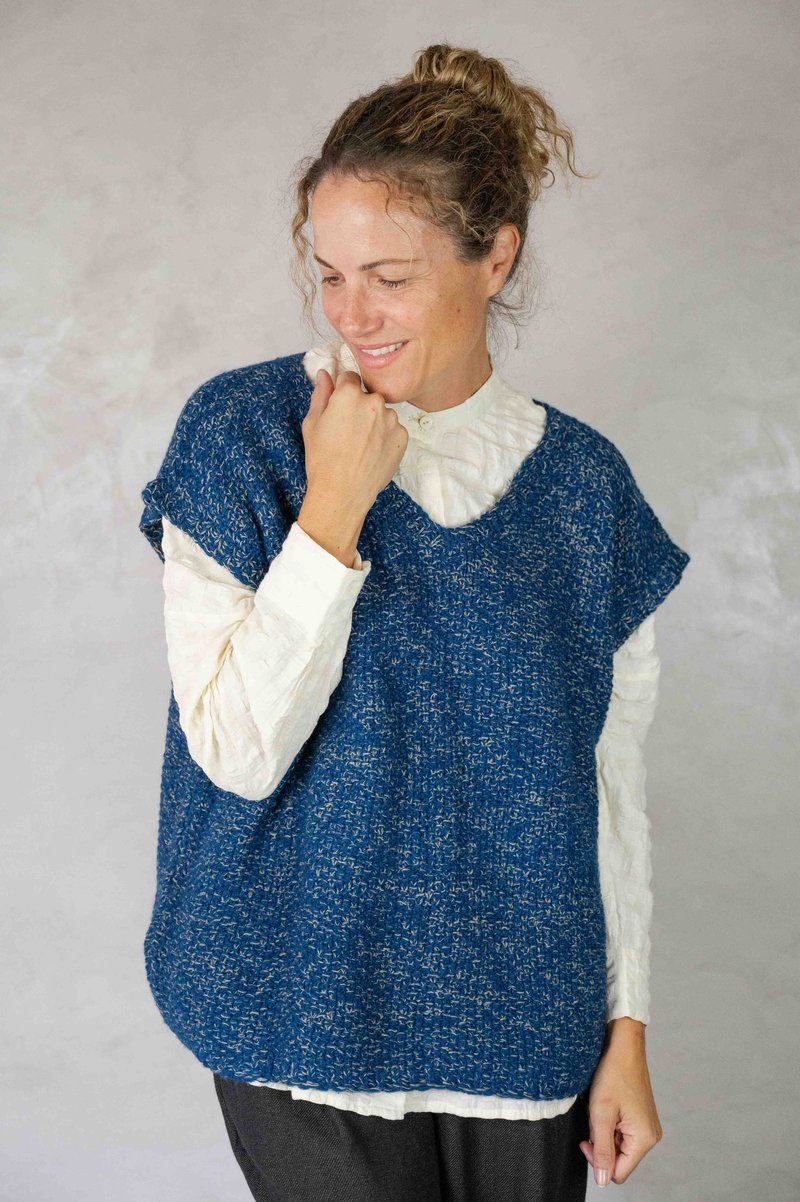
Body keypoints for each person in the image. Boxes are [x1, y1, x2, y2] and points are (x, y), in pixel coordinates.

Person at [138, 43, 690, 1202]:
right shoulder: (241, 436)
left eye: (388, 275)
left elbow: (607, 783)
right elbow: (235, 751)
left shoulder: (585, 492)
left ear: (496, 257)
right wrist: (330, 512)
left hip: (526, 1031)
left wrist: (626, 1026)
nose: (353, 314)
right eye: (329, 274)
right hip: (296, 1010)